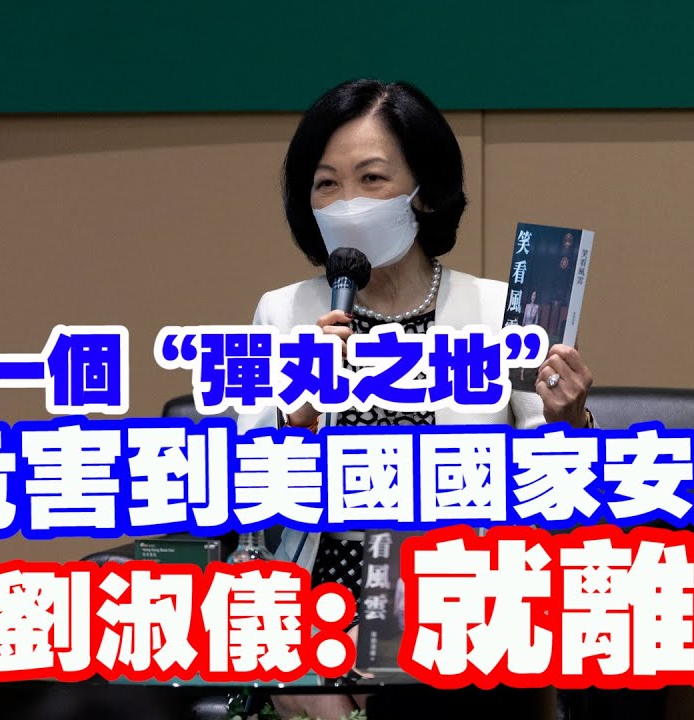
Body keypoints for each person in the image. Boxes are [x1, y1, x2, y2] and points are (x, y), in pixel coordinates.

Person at [239, 78, 596, 719]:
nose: (347, 203)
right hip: (323, 602)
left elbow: (557, 497)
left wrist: (569, 419)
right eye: (326, 184)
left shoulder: (498, 310)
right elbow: (248, 502)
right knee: (305, 684)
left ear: (424, 191)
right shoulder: (285, 312)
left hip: (456, 596)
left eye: (371, 179)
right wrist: (300, 411)